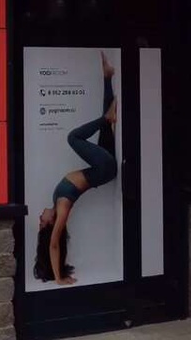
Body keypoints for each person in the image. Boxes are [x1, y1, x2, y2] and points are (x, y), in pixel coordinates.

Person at [34, 52, 118, 285]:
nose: (40, 217)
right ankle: (107, 117)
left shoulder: (57, 202)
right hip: (105, 168)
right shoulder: (62, 208)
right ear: (50, 223)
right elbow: (53, 244)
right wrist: (59, 278)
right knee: (73, 138)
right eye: (41, 222)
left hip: (101, 168)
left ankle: (107, 77)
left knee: (105, 126)